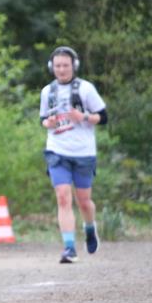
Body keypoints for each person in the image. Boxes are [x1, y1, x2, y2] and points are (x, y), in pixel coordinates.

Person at [39, 46, 107, 264]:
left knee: (84, 202)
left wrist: (84, 117)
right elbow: (43, 119)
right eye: (57, 65)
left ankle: (89, 227)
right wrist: (47, 122)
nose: (61, 69)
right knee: (62, 196)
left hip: (84, 152)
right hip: (57, 150)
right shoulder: (47, 91)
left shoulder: (86, 89)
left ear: (74, 66)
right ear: (52, 67)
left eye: (65, 65)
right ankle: (69, 247)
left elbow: (103, 117)